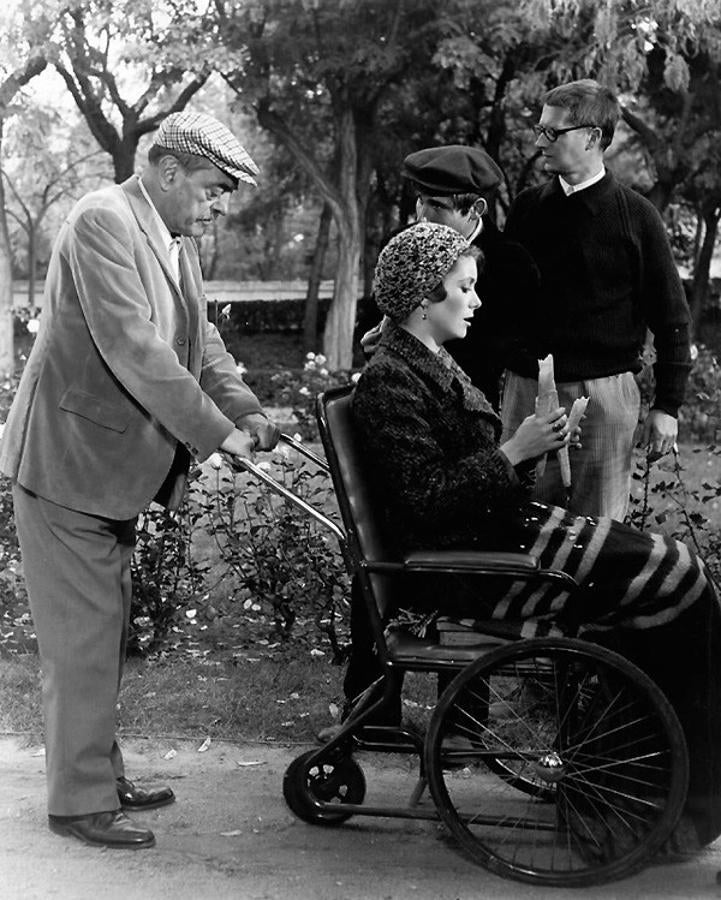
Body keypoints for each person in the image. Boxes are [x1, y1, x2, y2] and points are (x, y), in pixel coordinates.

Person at [351, 221, 721, 853]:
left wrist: (530, 452)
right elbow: (423, 501)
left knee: (677, 573)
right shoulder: (391, 382)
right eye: (464, 289)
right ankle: (659, 804)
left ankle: (659, 793)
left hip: (504, 541)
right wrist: (513, 451)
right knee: (676, 582)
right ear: (422, 302)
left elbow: (458, 483)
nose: (476, 301)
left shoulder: (426, 361)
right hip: (473, 569)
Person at [0, 111, 280, 850]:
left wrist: (243, 406)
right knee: (83, 643)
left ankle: (95, 772)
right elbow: (134, 345)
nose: (218, 205)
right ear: (165, 169)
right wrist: (216, 434)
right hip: (66, 468)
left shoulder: (170, 238)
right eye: (214, 189)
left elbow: (198, 336)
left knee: (103, 634)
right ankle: (79, 804)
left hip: (106, 471)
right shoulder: (102, 221)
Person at [502, 78, 692, 520]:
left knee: (598, 539)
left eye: (552, 132)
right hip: (525, 392)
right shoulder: (527, 209)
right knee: (514, 530)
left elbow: (672, 319)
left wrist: (667, 406)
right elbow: (494, 305)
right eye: (540, 128)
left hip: (603, 398)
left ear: (592, 138)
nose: (539, 140)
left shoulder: (637, 216)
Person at [361, 144, 538, 409]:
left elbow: (503, 352)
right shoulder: (403, 244)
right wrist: (372, 340)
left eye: (437, 206)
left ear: (476, 209)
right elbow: (377, 314)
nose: (423, 216)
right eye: (421, 200)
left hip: (471, 407)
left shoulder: (512, 263)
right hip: (400, 393)